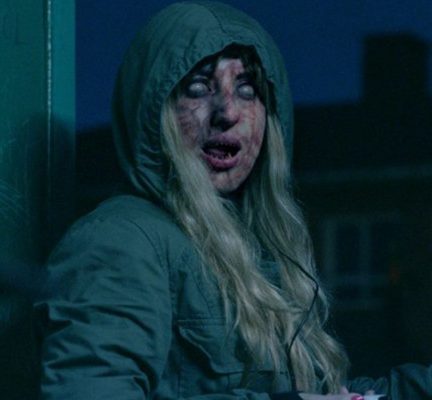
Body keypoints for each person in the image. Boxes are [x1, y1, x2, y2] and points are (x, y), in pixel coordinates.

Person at [35, 2, 431, 399]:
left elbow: (323, 395)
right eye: (198, 88)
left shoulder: (254, 251)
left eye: (247, 89)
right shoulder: (120, 242)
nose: (227, 111)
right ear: (154, 111)